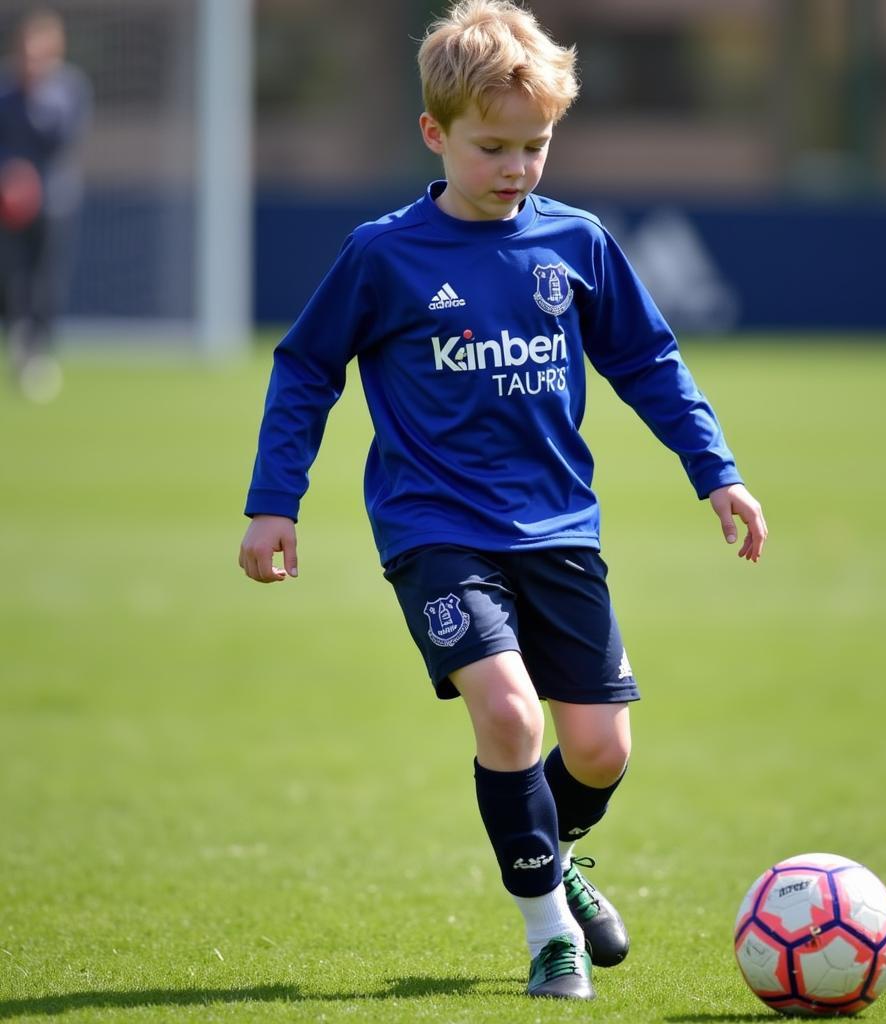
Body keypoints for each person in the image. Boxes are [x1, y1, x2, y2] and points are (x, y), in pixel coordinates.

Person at [239, 0, 766, 1002]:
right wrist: (275, 501)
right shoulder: (383, 254)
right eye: (493, 148)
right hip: (434, 525)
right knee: (509, 716)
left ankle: (549, 852)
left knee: (601, 751)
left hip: (557, 525)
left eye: (536, 146)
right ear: (435, 134)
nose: (517, 166)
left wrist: (717, 470)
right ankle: (546, 933)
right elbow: (306, 369)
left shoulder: (578, 244)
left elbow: (648, 360)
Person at [0, 8, 91, 401]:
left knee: (45, 279)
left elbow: (66, 143)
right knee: (10, 278)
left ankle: (39, 351)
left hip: (53, 201)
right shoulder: (4, 90)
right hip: (8, 203)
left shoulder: (70, 89)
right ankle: (19, 340)